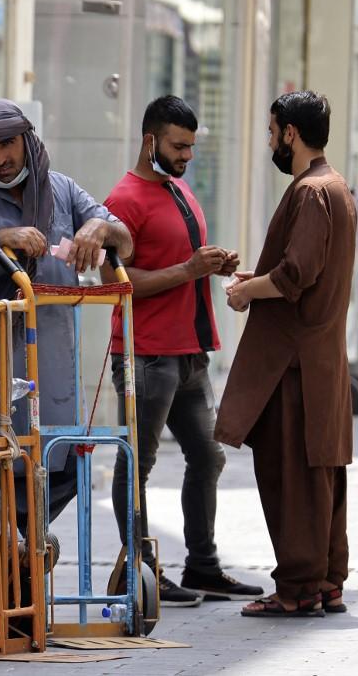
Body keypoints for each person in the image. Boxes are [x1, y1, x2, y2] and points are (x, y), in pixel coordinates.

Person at [0, 98, 133, 528]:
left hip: (49, 367)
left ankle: (23, 549)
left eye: (7, 144)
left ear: (26, 139)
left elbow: (126, 241)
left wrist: (99, 227)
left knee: (60, 466)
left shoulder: (63, 191)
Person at [101, 95, 262, 607]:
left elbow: (178, 262)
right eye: (178, 146)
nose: (187, 155)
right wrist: (188, 269)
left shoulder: (177, 187)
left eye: (191, 146)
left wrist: (212, 266)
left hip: (190, 352)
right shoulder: (123, 200)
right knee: (138, 462)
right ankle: (141, 570)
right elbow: (113, 281)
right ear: (150, 141)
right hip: (147, 353)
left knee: (208, 456)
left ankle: (203, 567)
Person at [216, 91, 356, 618]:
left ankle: (299, 589)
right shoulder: (335, 187)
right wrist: (257, 279)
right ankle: (326, 582)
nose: (270, 141)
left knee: (292, 475)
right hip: (320, 359)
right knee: (320, 473)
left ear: (291, 134)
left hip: (294, 366)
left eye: (273, 132)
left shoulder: (312, 191)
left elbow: (296, 275)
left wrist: (244, 292)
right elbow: (309, 273)